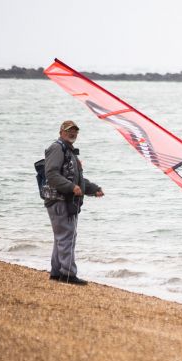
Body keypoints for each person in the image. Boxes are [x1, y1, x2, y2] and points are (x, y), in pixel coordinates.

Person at [44, 120, 104, 285]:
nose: (73, 133)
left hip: (65, 200)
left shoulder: (70, 152)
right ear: (61, 131)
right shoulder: (57, 148)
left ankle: (57, 273)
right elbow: (51, 174)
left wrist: (93, 189)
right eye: (69, 130)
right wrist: (71, 187)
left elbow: (77, 179)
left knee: (62, 237)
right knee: (67, 236)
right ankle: (68, 274)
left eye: (75, 131)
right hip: (59, 200)